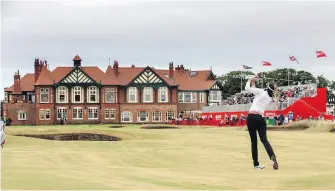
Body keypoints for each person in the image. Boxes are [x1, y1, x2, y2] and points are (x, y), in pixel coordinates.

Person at [245, 75, 279, 170]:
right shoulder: (268, 97)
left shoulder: (261, 92)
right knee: (264, 140)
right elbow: (253, 89)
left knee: (254, 142)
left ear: (267, 87)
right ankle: (273, 159)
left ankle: (256, 164)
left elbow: (247, 88)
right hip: (260, 118)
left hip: (251, 117)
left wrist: (249, 79)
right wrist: (253, 82)